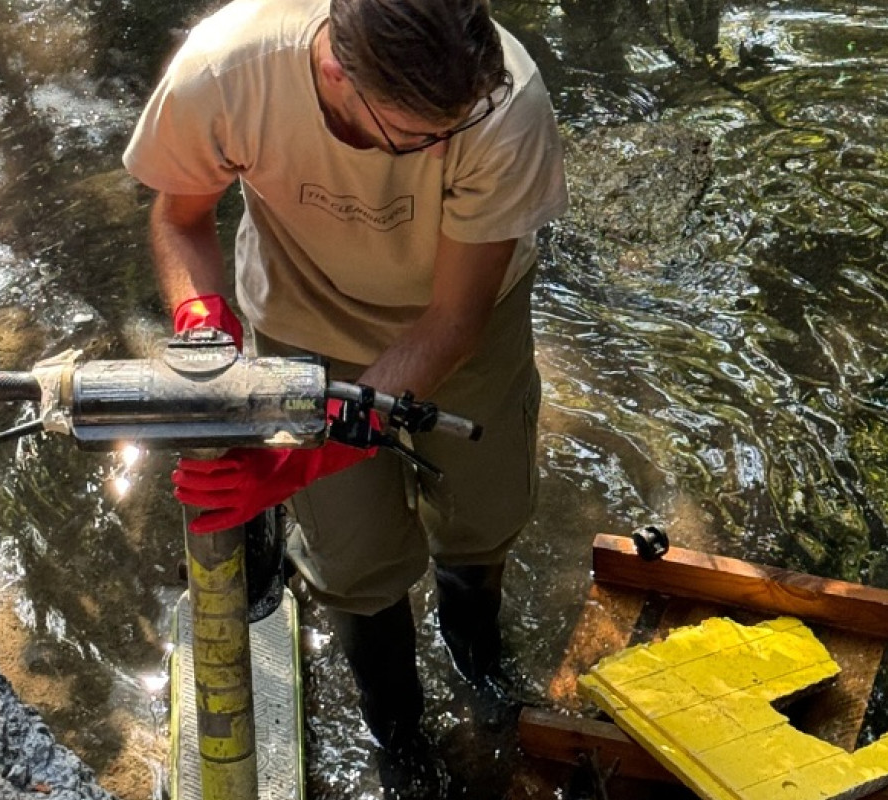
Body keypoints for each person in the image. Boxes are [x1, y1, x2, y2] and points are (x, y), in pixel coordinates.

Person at [121, 0, 569, 756]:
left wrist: (309, 453)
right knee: (353, 557)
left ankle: (478, 657)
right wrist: (204, 319)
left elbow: (451, 326)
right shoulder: (227, 70)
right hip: (305, 322)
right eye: (416, 135)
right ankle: (397, 727)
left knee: (483, 512)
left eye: (452, 130)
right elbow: (181, 216)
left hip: (466, 322)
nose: (439, 154)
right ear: (335, 73)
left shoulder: (504, 104)